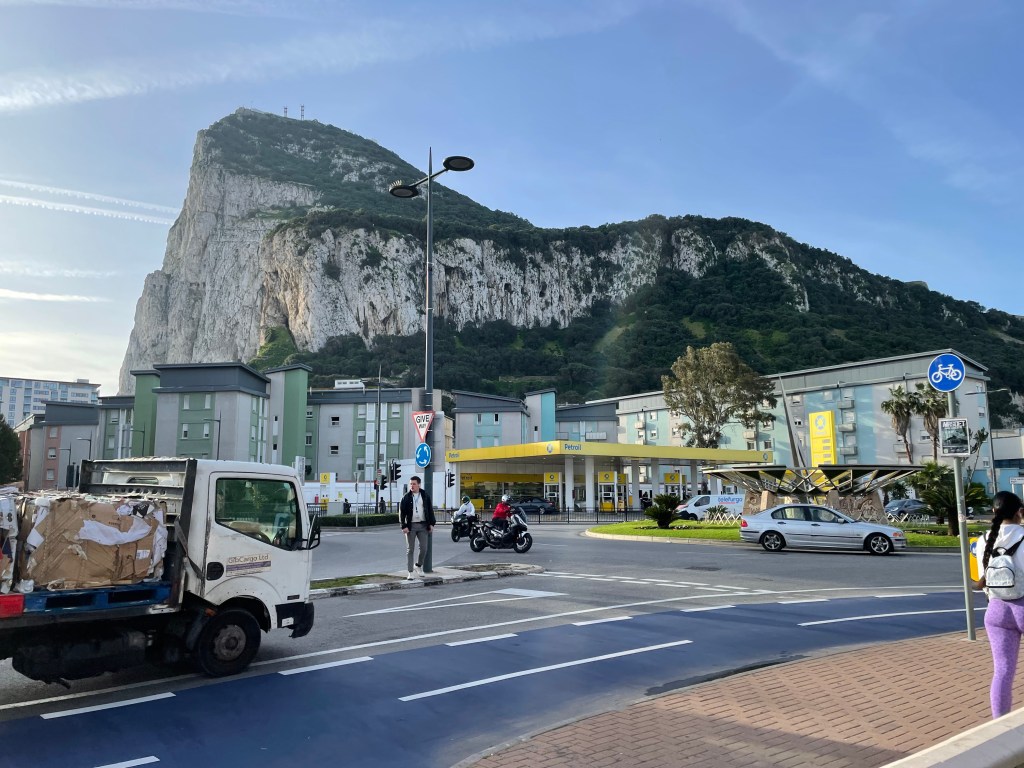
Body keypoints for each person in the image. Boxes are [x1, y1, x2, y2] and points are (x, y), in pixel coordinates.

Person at [975, 490, 1024, 718]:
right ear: (1019, 512)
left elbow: (983, 576)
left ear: (994, 511)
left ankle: (999, 725)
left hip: (996, 610)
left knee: (1002, 671)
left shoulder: (983, 540)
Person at [399, 476, 435, 579]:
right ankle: (410, 572)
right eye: (410, 484)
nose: (412, 486)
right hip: (411, 526)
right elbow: (401, 513)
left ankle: (418, 565)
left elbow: (430, 510)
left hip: (423, 525)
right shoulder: (406, 497)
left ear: (419, 484)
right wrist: (403, 526)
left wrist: (431, 524)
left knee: (424, 548)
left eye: (414, 484)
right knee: (410, 549)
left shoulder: (425, 496)